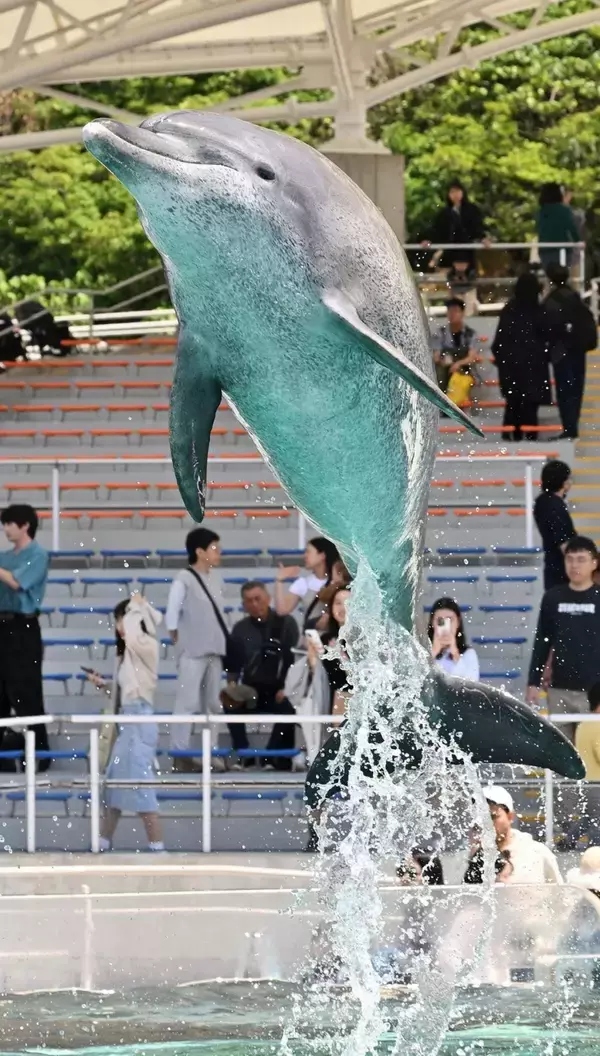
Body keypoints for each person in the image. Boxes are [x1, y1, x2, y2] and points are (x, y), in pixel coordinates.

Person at [85, 594, 165, 853]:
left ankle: (157, 845)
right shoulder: (123, 657)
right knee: (114, 785)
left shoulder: (148, 646)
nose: (119, 626)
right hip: (126, 721)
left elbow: (131, 636)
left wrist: (136, 606)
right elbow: (121, 694)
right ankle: (103, 842)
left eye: (122, 619)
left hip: (140, 721)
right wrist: (104, 686)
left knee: (141, 783)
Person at [166, 528, 228, 772]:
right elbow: (173, 608)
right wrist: (173, 631)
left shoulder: (217, 578)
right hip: (192, 649)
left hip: (214, 648)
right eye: (214, 547)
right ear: (199, 551)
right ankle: (179, 752)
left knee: (213, 703)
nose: (218, 552)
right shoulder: (185, 577)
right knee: (187, 701)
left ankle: (210, 752)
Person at [527, 536, 600, 743]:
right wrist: (533, 681)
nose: (575, 565)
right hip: (560, 689)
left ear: (594, 562)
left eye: (581, 559)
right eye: (570, 559)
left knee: (593, 755)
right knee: (563, 754)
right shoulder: (553, 597)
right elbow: (542, 641)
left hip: (594, 691)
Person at [221, 581, 299, 769]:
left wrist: (288, 688)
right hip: (251, 690)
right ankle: (244, 752)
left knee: (290, 704)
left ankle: (271, 756)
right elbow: (233, 664)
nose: (255, 604)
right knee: (228, 697)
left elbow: (295, 659)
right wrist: (232, 686)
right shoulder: (240, 629)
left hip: (280, 687)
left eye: (258, 599)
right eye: (249, 601)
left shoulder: (287, 622)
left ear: (268, 599)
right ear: (243, 604)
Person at [0, 504, 50, 766]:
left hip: (24, 628)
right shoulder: (4, 557)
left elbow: (18, 583)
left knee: (26, 691)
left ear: (25, 525)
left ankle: (40, 754)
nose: (6, 528)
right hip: (2, 625)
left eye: (10, 523)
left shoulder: (38, 555)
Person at [491, 272, 559, 442]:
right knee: (530, 407)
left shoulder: (509, 311)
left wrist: (504, 362)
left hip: (512, 369)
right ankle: (529, 438)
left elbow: (499, 343)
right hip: (534, 370)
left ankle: (510, 436)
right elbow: (549, 338)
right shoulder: (540, 311)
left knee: (513, 404)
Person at [545, 263, 597, 439]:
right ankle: (573, 425)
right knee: (576, 388)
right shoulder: (575, 297)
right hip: (578, 350)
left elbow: (547, 327)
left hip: (561, 351)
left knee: (565, 391)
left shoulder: (551, 300)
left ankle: (569, 427)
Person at [479, 785, 562, 883]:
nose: (486, 824)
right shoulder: (463, 860)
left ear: (510, 817)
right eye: (481, 818)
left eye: (493, 817)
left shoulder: (538, 854)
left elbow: (561, 895)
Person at [274, 536, 340, 629]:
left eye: (308, 551)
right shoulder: (303, 583)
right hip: (312, 639)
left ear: (322, 555)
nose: (305, 555)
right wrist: (279, 580)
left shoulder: (338, 582)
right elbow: (282, 610)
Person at [424, 181, 488, 272]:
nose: (455, 195)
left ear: (463, 192)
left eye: (458, 191)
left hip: (467, 249)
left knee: (468, 275)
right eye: (452, 192)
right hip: (450, 250)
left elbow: (477, 227)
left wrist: (482, 238)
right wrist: (429, 240)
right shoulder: (444, 213)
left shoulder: (472, 210)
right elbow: (437, 230)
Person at [534, 460, 574, 589]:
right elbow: (563, 543)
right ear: (563, 481)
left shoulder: (542, 502)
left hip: (551, 566)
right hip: (562, 571)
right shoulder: (556, 507)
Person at [569, 684, 600, 849]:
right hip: (597, 782)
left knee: (589, 817)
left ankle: (567, 841)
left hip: (587, 780)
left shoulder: (583, 724)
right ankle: (595, 850)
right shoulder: (598, 724)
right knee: (597, 821)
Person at [431, 298, 478, 399]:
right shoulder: (441, 333)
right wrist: (445, 361)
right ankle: (442, 404)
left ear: (462, 313)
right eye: (450, 311)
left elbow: (471, 357)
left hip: (463, 369)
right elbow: (436, 357)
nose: (452, 314)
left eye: (456, 311)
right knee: (439, 376)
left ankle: (456, 407)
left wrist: (458, 364)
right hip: (444, 370)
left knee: (462, 379)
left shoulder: (470, 334)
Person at [427, 597, 480, 681]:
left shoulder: (469, 654)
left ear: (458, 622)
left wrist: (455, 655)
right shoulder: (421, 651)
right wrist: (432, 654)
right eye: (440, 620)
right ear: (432, 622)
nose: (445, 626)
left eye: (449, 620)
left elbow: (471, 686)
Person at [536, 183, 581, 273]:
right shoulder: (564, 210)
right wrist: (577, 241)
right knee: (563, 274)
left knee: (549, 275)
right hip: (563, 248)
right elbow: (571, 228)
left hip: (545, 249)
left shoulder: (540, 212)